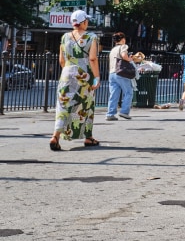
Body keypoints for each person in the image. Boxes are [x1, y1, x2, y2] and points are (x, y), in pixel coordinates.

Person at [49, 10, 100, 151]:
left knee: (63, 105)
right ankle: (88, 137)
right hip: (84, 75)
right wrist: (96, 77)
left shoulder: (65, 37)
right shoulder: (92, 37)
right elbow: (93, 59)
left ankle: (56, 136)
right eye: (87, 21)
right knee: (86, 105)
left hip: (67, 72)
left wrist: (69, 70)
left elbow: (61, 60)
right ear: (83, 22)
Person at [106, 32, 135, 121]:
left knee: (114, 94)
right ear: (122, 39)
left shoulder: (113, 49)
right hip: (120, 73)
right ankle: (124, 111)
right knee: (129, 92)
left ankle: (110, 114)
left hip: (112, 73)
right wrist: (130, 59)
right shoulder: (123, 46)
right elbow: (123, 56)